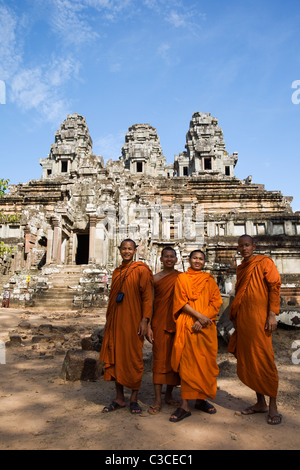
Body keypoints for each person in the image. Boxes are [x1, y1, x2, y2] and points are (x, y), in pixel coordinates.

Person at [228, 234, 282, 425]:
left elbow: (274, 286)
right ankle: (260, 403)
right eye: (241, 246)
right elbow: (239, 292)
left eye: (247, 245)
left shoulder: (264, 262)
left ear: (254, 246)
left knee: (265, 358)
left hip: (261, 320)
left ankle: (273, 404)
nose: (244, 249)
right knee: (251, 359)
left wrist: (272, 313)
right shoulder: (241, 268)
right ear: (238, 248)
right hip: (243, 320)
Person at [100, 239, 153, 414]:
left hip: (133, 323)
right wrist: (109, 321)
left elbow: (147, 297)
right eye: (124, 248)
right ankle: (119, 398)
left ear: (135, 251)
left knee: (133, 358)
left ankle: (134, 399)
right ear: (119, 250)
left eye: (130, 249)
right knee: (115, 357)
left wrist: (145, 320)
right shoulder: (116, 272)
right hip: (115, 322)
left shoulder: (141, 270)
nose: (127, 251)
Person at [169, 250, 223, 422]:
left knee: (205, 363)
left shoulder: (209, 280)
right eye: (194, 258)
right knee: (187, 365)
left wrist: (203, 319)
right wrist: (198, 316)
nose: (197, 261)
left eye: (200, 259)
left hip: (205, 326)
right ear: (189, 260)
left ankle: (201, 399)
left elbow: (217, 302)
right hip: (187, 324)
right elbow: (180, 301)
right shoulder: (182, 278)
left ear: (204, 262)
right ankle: (184, 405)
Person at [147, 247, 181, 415]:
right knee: (159, 360)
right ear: (161, 259)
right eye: (166, 257)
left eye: (171, 257)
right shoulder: (154, 279)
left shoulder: (182, 277)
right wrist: (147, 325)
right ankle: (157, 399)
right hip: (159, 323)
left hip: (177, 323)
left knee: (174, 360)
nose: (169, 259)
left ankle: (168, 394)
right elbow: (150, 303)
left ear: (176, 260)